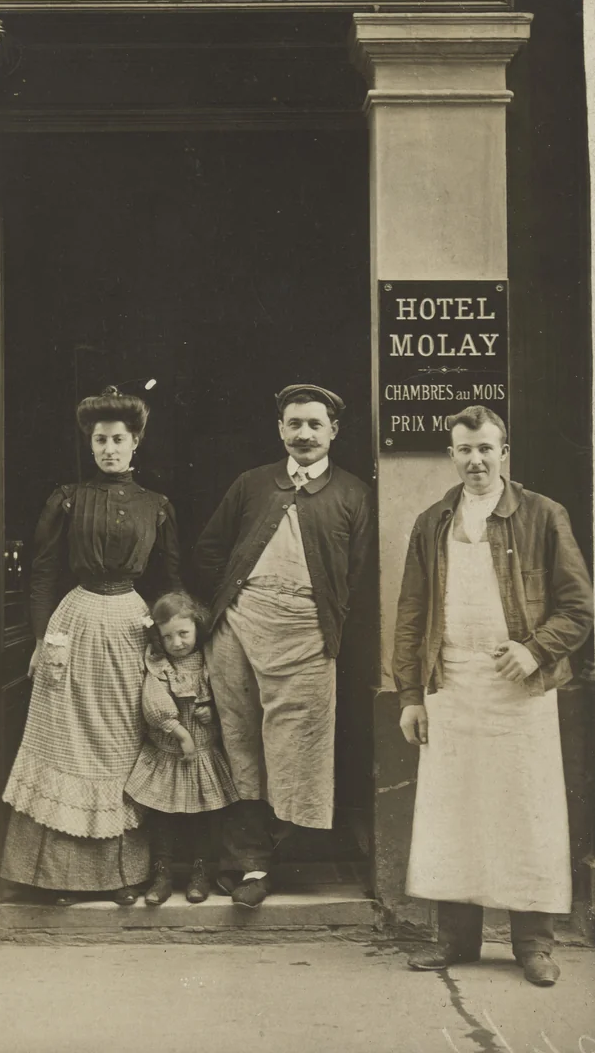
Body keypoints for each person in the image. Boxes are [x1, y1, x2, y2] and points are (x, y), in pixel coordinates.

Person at [393, 405, 593, 987]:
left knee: (525, 813)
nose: (475, 460)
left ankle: (533, 945)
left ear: (504, 452)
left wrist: (536, 649)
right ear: (451, 455)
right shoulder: (432, 521)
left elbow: (579, 607)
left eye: (486, 448)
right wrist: (411, 694)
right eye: (464, 450)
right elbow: (410, 615)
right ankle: (456, 941)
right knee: (454, 814)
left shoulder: (543, 515)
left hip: (521, 694)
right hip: (452, 687)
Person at [193, 383, 376, 908]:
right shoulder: (252, 485)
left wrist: (326, 627)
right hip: (240, 630)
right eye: (294, 423)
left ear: (334, 431)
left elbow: (359, 579)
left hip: (308, 637)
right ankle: (248, 863)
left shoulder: (353, 494)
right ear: (279, 429)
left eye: (315, 424)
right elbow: (208, 552)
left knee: (298, 751)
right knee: (239, 741)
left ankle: (282, 862)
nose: (304, 434)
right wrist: (228, 605)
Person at [1, 386, 180, 906]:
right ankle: (54, 876)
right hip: (73, 623)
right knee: (65, 739)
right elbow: (40, 573)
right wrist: (41, 639)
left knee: (122, 740)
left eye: (118, 439)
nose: (108, 448)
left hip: (130, 623)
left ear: (135, 443)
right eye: (99, 439)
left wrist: (169, 646)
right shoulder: (67, 498)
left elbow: (171, 579)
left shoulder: (158, 506)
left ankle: (120, 873)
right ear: (90, 443)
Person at [125, 590, 238, 906]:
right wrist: (180, 732)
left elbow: (228, 694)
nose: (177, 642)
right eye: (168, 636)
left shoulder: (207, 660)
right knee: (163, 817)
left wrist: (212, 711)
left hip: (200, 756)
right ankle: (162, 874)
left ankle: (199, 873)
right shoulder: (159, 665)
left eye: (183, 633)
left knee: (201, 818)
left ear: (196, 628)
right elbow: (154, 703)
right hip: (169, 753)